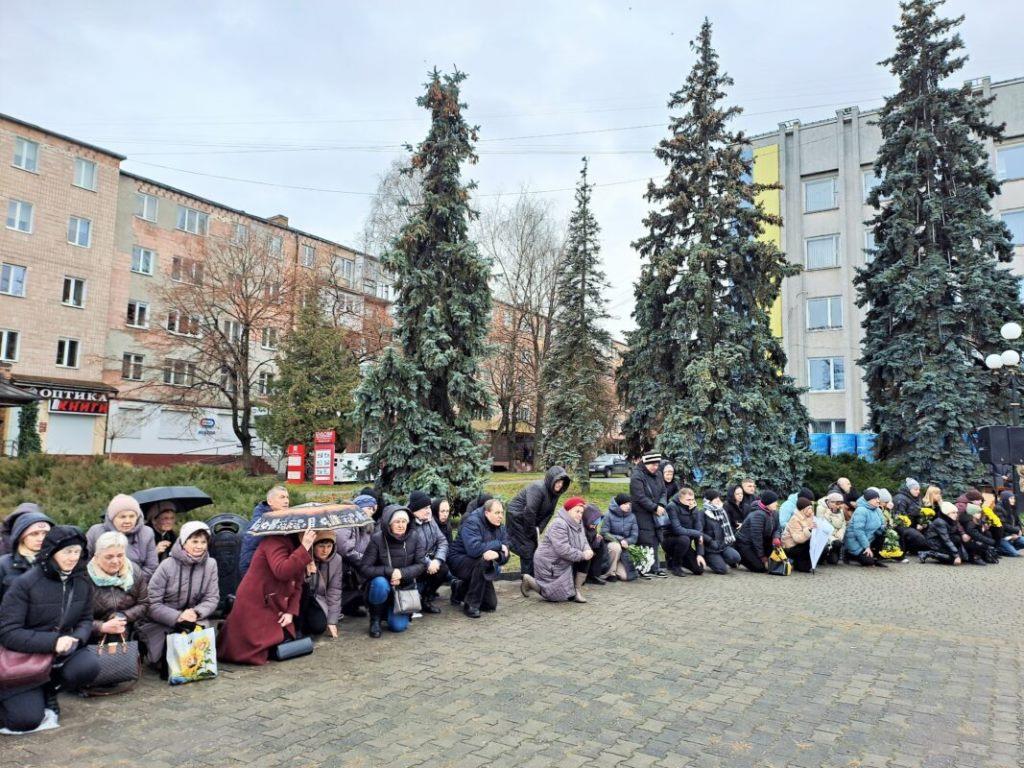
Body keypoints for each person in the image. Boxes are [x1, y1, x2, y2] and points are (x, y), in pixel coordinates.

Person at [0, 526, 99, 734]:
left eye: (77, 551)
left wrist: (76, 639)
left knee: (88, 666)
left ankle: (48, 689)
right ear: (51, 552)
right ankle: (26, 693)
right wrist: (53, 642)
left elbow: (86, 619)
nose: (73, 557)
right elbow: (8, 632)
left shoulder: (82, 581)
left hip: (60, 652)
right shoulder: (25, 584)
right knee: (25, 720)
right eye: (67, 551)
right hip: (24, 657)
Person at [219, 526, 315, 665]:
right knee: (252, 649)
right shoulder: (273, 541)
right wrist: (304, 547)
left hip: (274, 603)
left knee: (287, 640)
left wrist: (290, 612)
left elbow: (297, 585)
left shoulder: (298, 545)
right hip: (255, 601)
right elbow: (282, 571)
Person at [137, 521, 219, 670]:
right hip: (164, 620)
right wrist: (177, 617)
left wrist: (196, 612)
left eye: (203, 542)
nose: (199, 546)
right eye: (194, 541)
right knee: (169, 663)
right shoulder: (167, 565)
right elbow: (151, 602)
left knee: (197, 664)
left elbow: (212, 598)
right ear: (183, 542)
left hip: (194, 617)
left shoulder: (211, 564)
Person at [359, 506, 426, 638]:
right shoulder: (377, 539)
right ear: (389, 523)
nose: (401, 525)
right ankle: (375, 619)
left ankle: (388, 612)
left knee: (397, 627)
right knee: (380, 583)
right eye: (397, 522)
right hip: (383, 584)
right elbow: (364, 568)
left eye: (404, 522)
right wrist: (389, 572)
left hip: (403, 588)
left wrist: (401, 574)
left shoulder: (414, 537)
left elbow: (421, 565)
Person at [521, 497, 593, 603]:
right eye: (577, 511)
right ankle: (530, 581)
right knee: (554, 597)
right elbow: (563, 549)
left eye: (581, 512)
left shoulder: (578, 522)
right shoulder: (559, 524)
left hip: (564, 560)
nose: (579, 515)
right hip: (550, 562)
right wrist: (582, 555)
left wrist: (587, 550)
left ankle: (576, 591)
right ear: (568, 510)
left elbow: (583, 540)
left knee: (586, 558)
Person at [448, 498, 510, 618]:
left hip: (480, 564)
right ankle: (471, 605)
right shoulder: (472, 522)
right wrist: (498, 545)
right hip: (458, 560)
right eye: (497, 513)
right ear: (487, 513)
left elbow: (506, 553)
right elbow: (474, 550)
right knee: (484, 561)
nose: (501, 516)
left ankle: (458, 588)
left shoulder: (500, 527)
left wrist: (498, 555)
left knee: (490, 605)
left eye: (502, 513)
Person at [507, 466, 570, 577]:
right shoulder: (537, 488)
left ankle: (530, 576)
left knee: (531, 546)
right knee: (528, 547)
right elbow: (530, 511)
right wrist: (530, 532)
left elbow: (549, 513)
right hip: (517, 517)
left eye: (562, 482)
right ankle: (527, 578)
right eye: (558, 481)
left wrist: (539, 529)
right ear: (551, 479)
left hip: (529, 520)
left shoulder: (555, 493)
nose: (560, 485)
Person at [87, 531, 148, 641]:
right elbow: (73, 619)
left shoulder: (134, 571)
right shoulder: (84, 577)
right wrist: (101, 627)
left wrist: (124, 616)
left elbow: (144, 603)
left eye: (120, 555)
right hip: (93, 640)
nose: (115, 561)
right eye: (109, 557)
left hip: (129, 634)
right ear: (96, 556)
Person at [86, 494, 158, 579]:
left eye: (132, 516)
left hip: (136, 582)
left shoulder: (147, 533)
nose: (127, 521)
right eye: (122, 517)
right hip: (99, 581)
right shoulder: (95, 531)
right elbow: (85, 561)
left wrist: (127, 581)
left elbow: (151, 567)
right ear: (112, 518)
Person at [408, 490, 449, 614]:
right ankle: (414, 600)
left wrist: (437, 560)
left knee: (443, 569)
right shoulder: (408, 523)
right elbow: (413, 550)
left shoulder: (429, 519)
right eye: (425, 508)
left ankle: (426, 599)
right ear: (415, 510)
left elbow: (442, 541)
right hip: (412, 563)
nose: (428, 511)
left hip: (430, 560)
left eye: (429, 507)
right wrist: (428, 563)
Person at [629, 452, 668, 577]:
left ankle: (655, 567)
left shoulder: (659, 474)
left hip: (656, 511)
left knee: (656, 538)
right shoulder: (637, 476)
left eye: (657, 465)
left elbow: (664, 491)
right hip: (642, 513)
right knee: (645, 539)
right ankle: (644, 567)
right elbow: (639, 497)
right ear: (645, 463)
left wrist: (661, 505)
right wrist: (654, 507)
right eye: (652, 465)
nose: (655, 467)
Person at [0, 509, 53, 601]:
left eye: (45, 533)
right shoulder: (3, 564)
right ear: (21, 537)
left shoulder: (58, 562)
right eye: (34, 534)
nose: (41, 538)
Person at [238, 486, 289, 578]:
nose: (286, 501)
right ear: (270, 501)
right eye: (282, 497)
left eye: (287, 497)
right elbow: (249, 554)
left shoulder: (281, 519)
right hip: (257, 575)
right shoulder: (260, 523)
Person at [337, 494, 375, 618]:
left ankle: (353, 605)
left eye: (373, 508)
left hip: (357, 565)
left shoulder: (365, 525)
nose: (372, 511)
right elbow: (345, 549)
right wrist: (366, 560)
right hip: (347, 567)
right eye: (368, 508)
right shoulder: (348, 522)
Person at [299, 531, 343, 638]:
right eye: (321, 546)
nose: (325, 551)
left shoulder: (337, 560)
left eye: (329, 546)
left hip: (318, 599)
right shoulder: (302, 555)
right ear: (313, 545)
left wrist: (332, 621)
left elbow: (334, 590)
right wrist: (307, 572)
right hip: (301, 599)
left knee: (318, 627)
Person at [664, 488, 707, 576]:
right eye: (688, 500)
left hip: (685, 545)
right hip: (670, 541)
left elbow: (699, 532)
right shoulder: (672, 507)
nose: (691, 502)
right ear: (680, 499)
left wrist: (700, 554)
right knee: (684, 539)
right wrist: (698, 533)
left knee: (699, 569)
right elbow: (677, 529)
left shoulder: (694, 509)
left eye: (692, 499)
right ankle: (676, 566)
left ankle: (672, 559)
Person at [734, 491, 779, 573]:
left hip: (762, 541)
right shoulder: (758, 515)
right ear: (768, 503)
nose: (777, 504)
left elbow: (777, 528)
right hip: (745, 544)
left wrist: (776, 537)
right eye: (774, 502)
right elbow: (756, 537)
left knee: (774, 564)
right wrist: (762, 557)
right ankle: (739, 556)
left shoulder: (774, 513)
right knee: (760, 568)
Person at [701, 489, 741, 574]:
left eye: (718, 498)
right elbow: (699, 532)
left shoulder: (722, 511)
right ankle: (708, 558)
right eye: (715, 498)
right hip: (710, 547)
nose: (718, 500)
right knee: (722, 570)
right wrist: (710, 541)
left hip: (723, 545)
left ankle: (719, 559)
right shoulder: (703, 513)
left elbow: (727, 528)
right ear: (709, 501)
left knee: (736, 557)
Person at [843, 489, 888, 568]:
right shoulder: (861, 510)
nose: (878, 501)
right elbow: (859, 531)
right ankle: (849, 553)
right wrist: (866, 547)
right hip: (855, 541)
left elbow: (882, 525)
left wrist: (885, 527)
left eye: (878, 498)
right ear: (868, 500)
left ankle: (875, 557)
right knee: (868, 562)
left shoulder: (878, 510)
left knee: (882, 534)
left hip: (869, 539)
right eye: (875, 499)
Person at [599, 494, 638, 581]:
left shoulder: (632, 516)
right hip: (610, 544)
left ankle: (616, 566)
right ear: (618, 504)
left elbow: (634, 536)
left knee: (625, 577)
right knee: (616, 547)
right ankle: (610, 573)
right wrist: (620, 540)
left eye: (629, 504)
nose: (628, 506)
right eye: (625, 504)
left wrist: (627, 541)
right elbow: (604, 532)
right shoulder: (608, 515)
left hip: (625, 548)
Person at [892, 479, 929, 554]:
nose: (918, 491)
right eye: (916, 489)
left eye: (919, 489)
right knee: (918, 538)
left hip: (913, 525)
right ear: (909, 489)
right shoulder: (900, 499)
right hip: (902, 527)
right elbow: (900, 519)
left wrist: (921, 522)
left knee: (931, 527)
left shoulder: (916, 497)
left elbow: (919, 512)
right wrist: (915, 526)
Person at [781, 498, 818, 573]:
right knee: (809, 544)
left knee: (815, 543)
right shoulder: (795, 519)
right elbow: (797, 539)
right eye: (809, 508)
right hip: (790, 546)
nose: (811, 510)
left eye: (811, 508)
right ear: (803, 509)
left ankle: (802, 564)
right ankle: (801, 565)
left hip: (800, 544)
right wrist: (809, 530)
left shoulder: (809, 517)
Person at [815, 492, 847, 564]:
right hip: (825, 535)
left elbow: (843, 523)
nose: (839, 506)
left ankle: (832, 554)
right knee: (835, 542)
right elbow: (822, 526)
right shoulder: (820, 509)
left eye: (840, 504)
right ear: (830, 502)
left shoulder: (840, 510)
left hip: (837, 534)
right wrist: (828, 514)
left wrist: (841, 532)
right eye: (837, 504)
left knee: (834, 561)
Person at [582, 504, 609, 585]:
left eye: (596, 523)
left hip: (589, 546)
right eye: (593, 523)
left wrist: (596, 539)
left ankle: (593, 575)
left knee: (600, 542)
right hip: (582, 549)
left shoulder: (592, 526)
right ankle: (582, 576)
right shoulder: (581, 526)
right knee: (589, 551)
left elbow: (593, 535)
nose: (595, 526)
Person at [994, 491, 1024, 556]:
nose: (1013, 500)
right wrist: (1016, 531)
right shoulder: (998, 508)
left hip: (1012, 535)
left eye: (1014, 498)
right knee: (1014, 553)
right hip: (1003, 537)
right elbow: (1003, 525)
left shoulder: (1012, 508)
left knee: (1022, 542)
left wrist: (1016, 533)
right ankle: (999, 549)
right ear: (1005, 499)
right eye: (1011, 498)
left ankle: (1010, 548)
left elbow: (1018, 522)